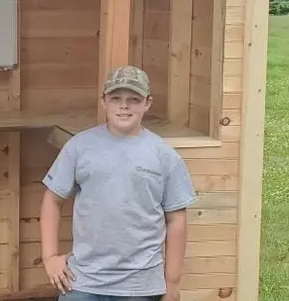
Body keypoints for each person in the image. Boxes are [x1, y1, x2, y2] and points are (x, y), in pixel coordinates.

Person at [39, 65, 197, 301]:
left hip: (140, 287)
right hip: (82, 281)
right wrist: (49, 257)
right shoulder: (80, 146)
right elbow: (52, 200)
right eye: (116, 98)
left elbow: (176, 220)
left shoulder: (164, 155)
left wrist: (172, 282)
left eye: (134, 99)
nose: (124, 106)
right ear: (104, 101)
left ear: (148, 103)